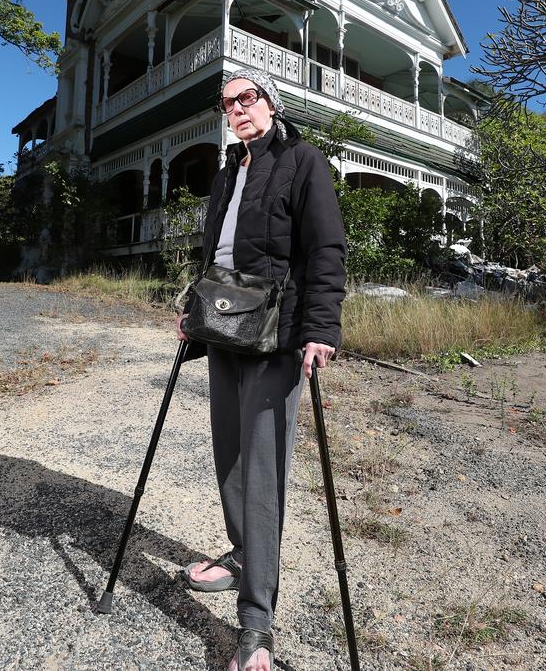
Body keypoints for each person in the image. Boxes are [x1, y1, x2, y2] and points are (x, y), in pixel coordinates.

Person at [175, 67, 346, 671]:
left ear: (270, 103)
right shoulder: (228, 171)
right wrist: (193, 311)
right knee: (230, 456)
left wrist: (321, 328)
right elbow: (214, 255)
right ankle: (244, 552)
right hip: (223, 327)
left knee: (264, 466)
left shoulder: (303, 161)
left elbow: (325, 248)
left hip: (278, 334)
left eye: (247, 99)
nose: (238, 110)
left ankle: (257, 623)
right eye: (228, 105)